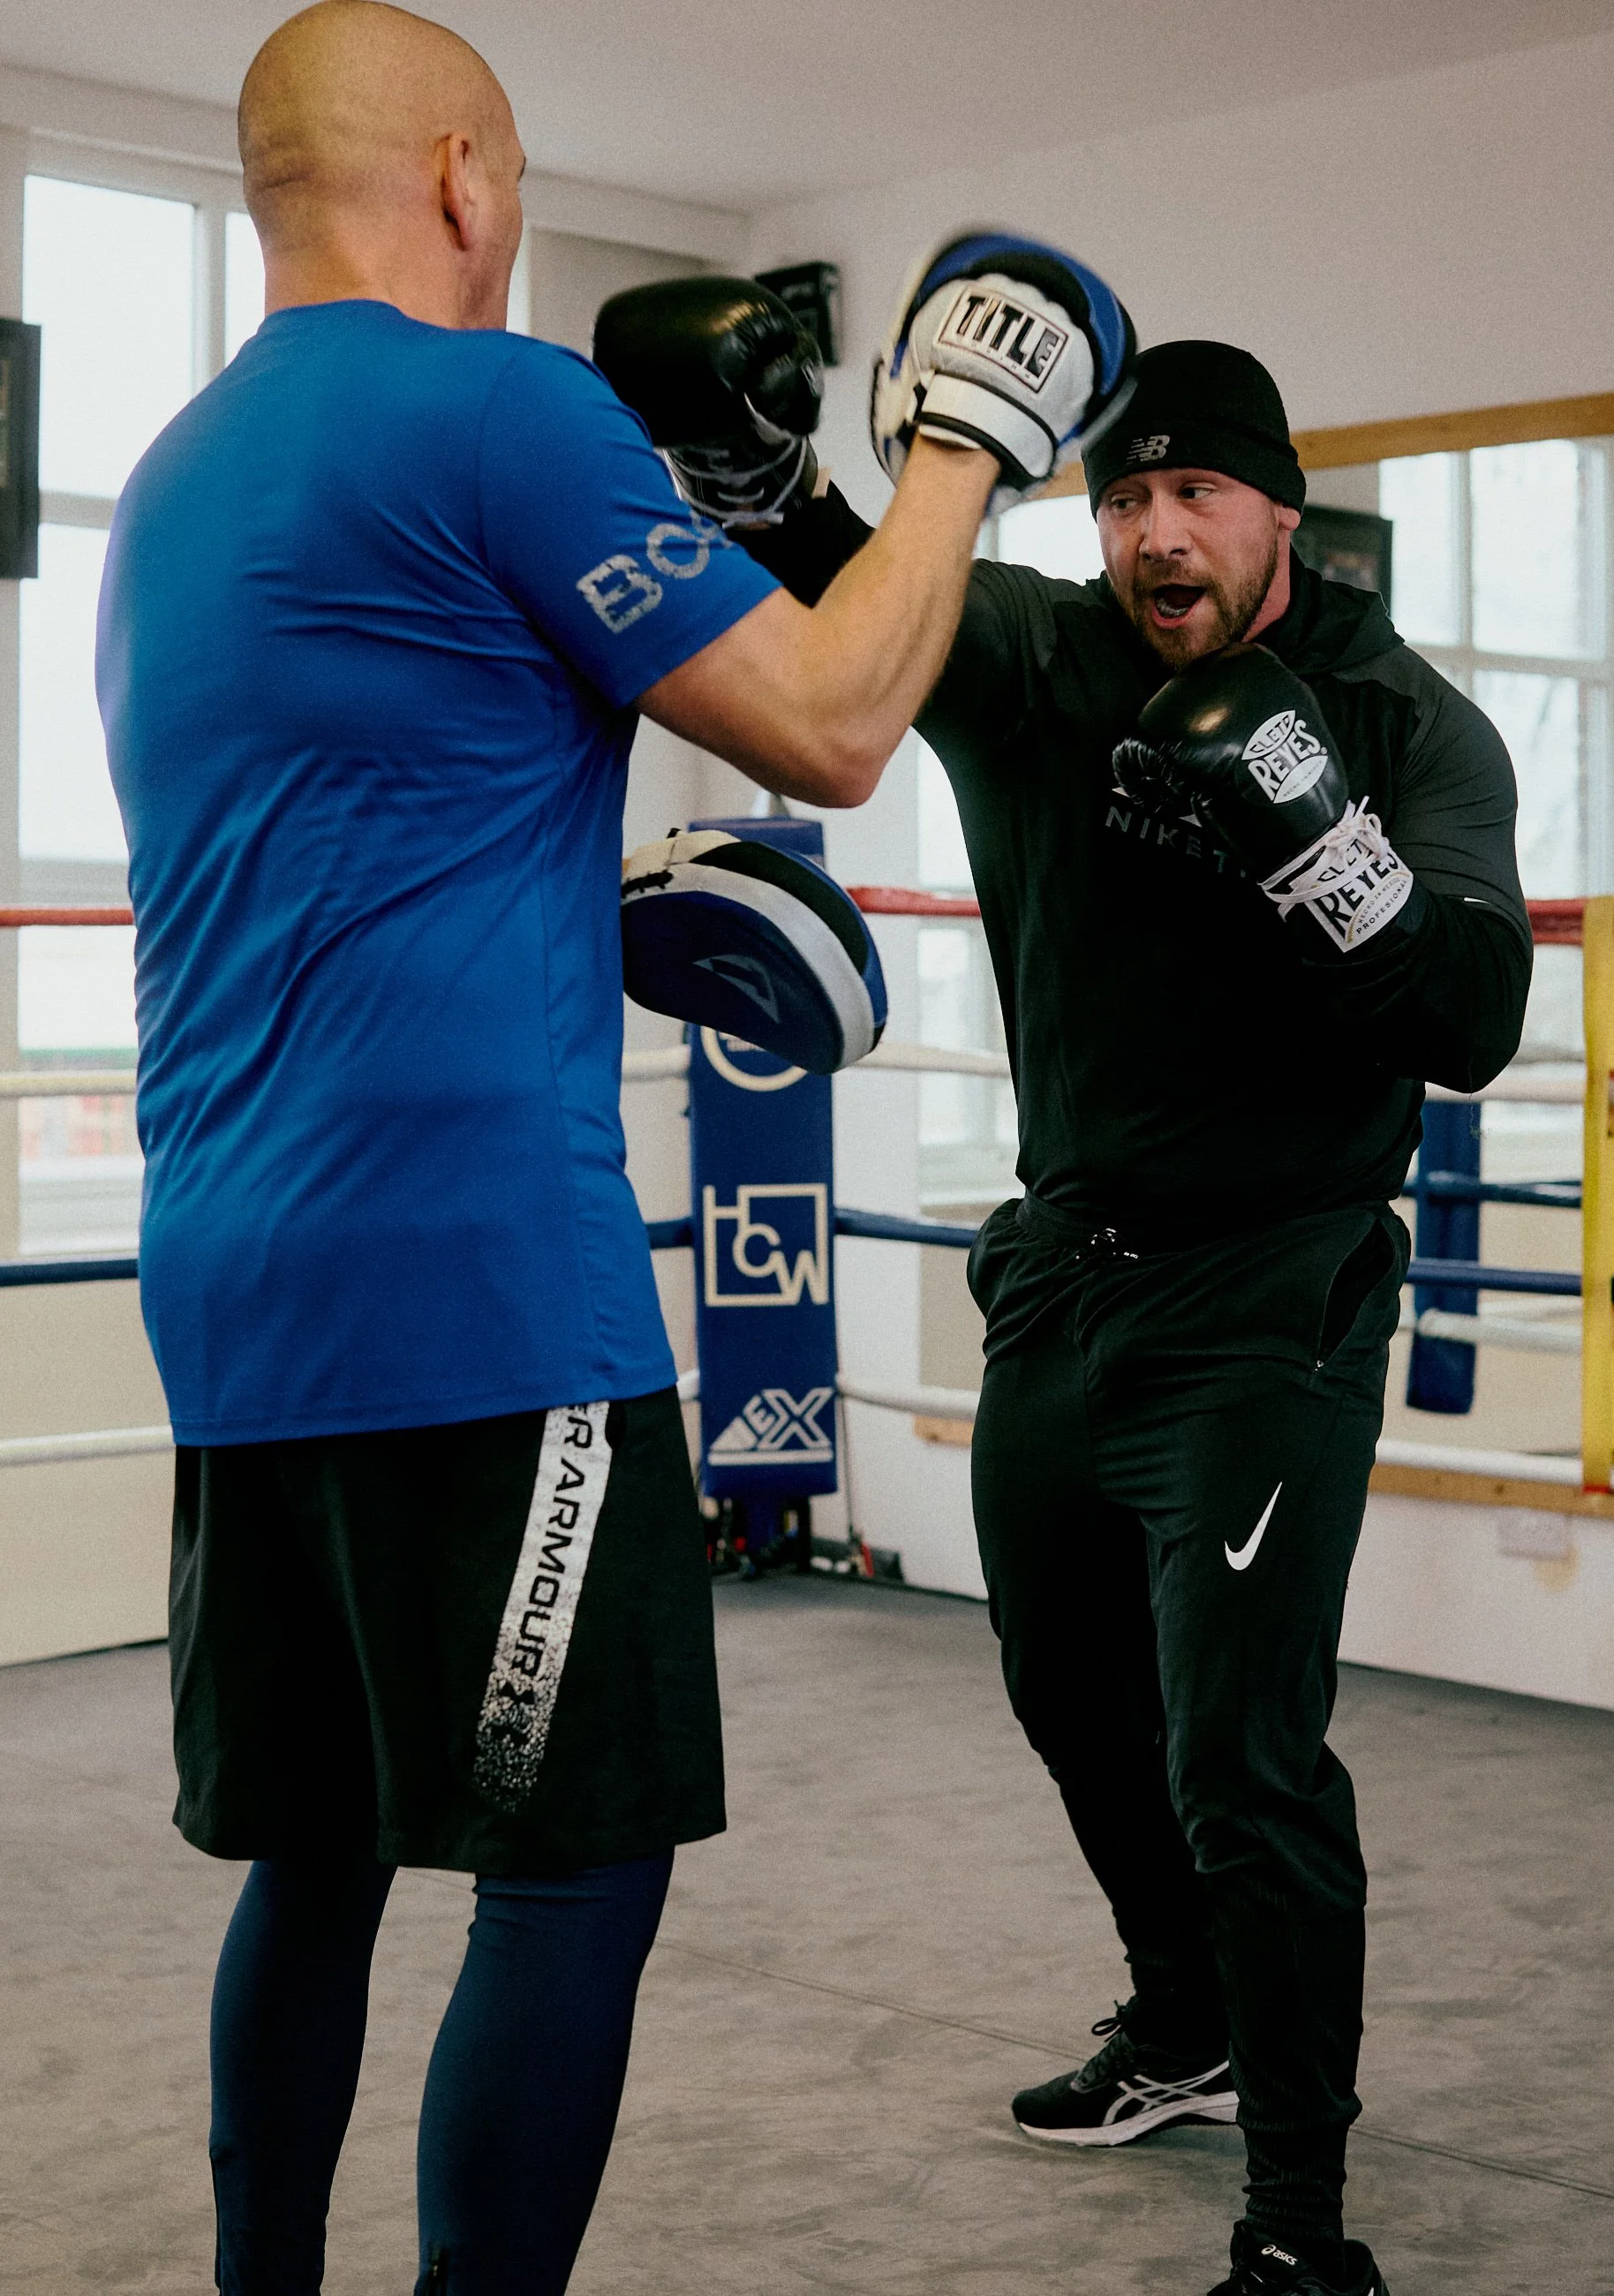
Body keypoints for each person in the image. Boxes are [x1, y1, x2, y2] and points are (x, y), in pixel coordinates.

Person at [94, 7, 1130, 2290]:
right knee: (576, 1860)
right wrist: (959, 450)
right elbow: (844, 722)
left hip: (238, 1278)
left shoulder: (171, 483)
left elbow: (340, 830)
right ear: (462, 176)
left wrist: (586, 908)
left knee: (326, 1846)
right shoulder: (502, 412)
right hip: (479, 1285)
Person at [601, 308, 1531, 2295]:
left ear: (1277, 507)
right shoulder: (1043, 658)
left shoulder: (1403, 722)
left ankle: (1300, 2223)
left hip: (1271, 1290)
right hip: (1067, 1275)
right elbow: (864, 601)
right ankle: (1179, 2014)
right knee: (1065, 1691)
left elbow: (1470, 1017)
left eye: (1194, 491)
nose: (1152, 536)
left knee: (1241, 1753)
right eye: (1119, 497)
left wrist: (1323, 850)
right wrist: (747, 465)